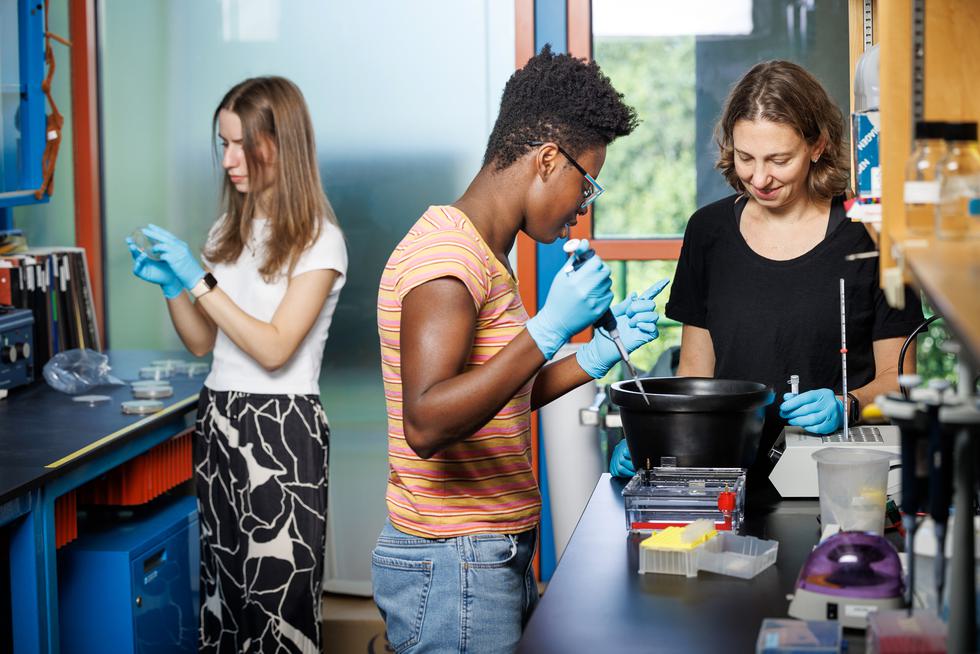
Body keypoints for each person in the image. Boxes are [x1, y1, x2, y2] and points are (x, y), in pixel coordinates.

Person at [372, 46, 664, 653]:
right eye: (587, 184)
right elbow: (426, 421)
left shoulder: (485, 254)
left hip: (485, 550)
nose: (583, 210)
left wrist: (597, 351)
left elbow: (499, 396)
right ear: (547, 160)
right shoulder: (447, 262)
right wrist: (548, 329)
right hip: (454, 558)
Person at [610, 60, 923, 479]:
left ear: (817, 146)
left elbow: (900, 380)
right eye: (745, 158)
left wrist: (847, 404)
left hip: (835, 476)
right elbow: (694, 376)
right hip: (726, 475)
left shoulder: (868, 231)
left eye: (778, 159)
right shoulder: (708, 232)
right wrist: (656, 442)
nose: (759, 178)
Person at [126, 76, 347, 653]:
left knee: (279, 607)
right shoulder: (228, 230)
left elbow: (275, 348)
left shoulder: (320, 241)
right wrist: (173, 286)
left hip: (284, 431)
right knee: (223, 601)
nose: (227, 160)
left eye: (238, 145)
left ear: (279, 144)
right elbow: (203, 340)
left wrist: (198, 281)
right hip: (219, 419)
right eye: (220, 144)